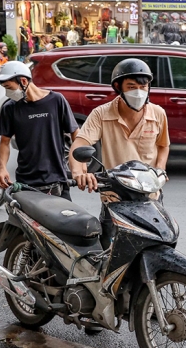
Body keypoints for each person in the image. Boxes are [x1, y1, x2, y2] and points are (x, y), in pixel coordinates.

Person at [69, 58, 170, 247]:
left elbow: (163, 145)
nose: (138, 92)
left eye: (143, 86)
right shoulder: (101, 114)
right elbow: (79, 144)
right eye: (131, 86)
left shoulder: (158, 114)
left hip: (150, 196)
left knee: (158, 245)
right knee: (110, 252)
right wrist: (79, 173)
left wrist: (160, 170)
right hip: (114, 197)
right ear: (118, 87)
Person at [0, 61, 79, 200]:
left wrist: (79, 166)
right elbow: (4, 142)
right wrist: (2, 168)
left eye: (9, 87)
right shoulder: (9, 108)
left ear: (23, 81)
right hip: (25, 182)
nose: (7, 93)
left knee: (67, 219)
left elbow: (75, 133)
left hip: (57, 179)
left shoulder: (56, 100)